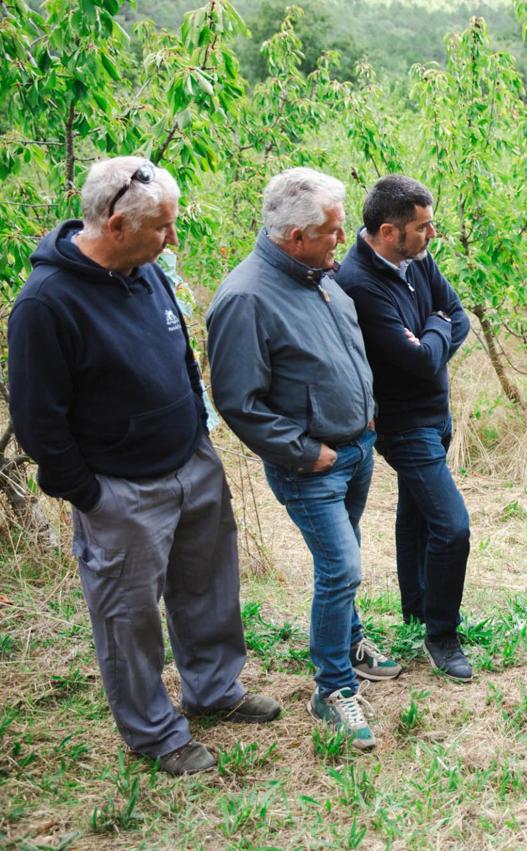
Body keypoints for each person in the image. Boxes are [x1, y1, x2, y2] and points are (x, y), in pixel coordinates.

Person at [8, 157, 279, 776]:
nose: (172, 239)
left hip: (190, 463)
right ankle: (155, 731)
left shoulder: (147, 271)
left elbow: (180, 354)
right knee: (128, 619)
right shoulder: (46, 304)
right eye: (161, 226)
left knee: (209, 590)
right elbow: (37, 419)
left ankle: (214, 691)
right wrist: (90, 493)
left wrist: (198, 434)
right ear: (114, 222)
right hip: (120, 492)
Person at [206, 167, 396, 752]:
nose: (344, 240)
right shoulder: (245, 298)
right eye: (334, 231)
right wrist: (305, 452)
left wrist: (364, 417)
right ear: (295, 236)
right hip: (312, 463)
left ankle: (349, 641)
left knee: (348, 559)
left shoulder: (322, 276)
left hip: (355, 449)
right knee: (341, 568)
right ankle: (332, 688)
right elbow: (238, 402)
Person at [336, 175, 474, 681]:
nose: (432, 234)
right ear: (391, 231)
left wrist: (432, 333)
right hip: (404, 424)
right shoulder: (359, 283)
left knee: (416, 511)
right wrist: (435, 335)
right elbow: (418, 362)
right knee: (452, 526)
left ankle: (416, 606)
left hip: (436, 414)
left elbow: (456, 315)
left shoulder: (417, 259)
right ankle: (442, 634)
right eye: (423, 227)